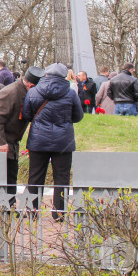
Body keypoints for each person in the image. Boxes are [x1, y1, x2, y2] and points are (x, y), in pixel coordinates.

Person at [22, 63, 84, 221]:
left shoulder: (34, 91)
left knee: (35, 176)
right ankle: (59, 212)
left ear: (46, 75)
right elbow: (78, 116)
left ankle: (32, 211)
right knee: (61, 177)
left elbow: (27, 114)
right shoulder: (70, 93)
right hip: (63, 140)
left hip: (38, 139)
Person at [0, 66, 44, 203]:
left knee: (11, 179)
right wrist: (1, 143)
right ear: (31, 85)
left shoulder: (24, 91)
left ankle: (8, 208)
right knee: (3, 181)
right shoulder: (10, 93)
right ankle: (3, 211)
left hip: (11, 141)